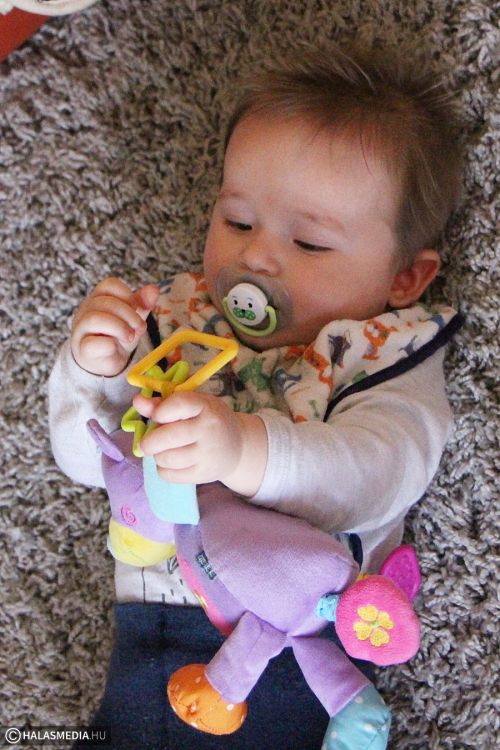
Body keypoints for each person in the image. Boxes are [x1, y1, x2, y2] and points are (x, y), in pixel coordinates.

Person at [49, 43, 463, 750]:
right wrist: (94, 367)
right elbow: (88, 463)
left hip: (289, 649)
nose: (256, 257)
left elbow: (380, 475)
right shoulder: (178, 323)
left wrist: (245, 450)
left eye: (310, 243)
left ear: (404, 278)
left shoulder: (381, 354)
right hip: (149, 627)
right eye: (238, 221)